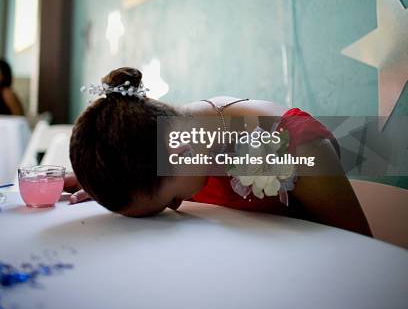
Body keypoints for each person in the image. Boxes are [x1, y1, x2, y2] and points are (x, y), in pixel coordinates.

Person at [66, 67, 371, 237]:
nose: (176, 206)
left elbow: (364, 258)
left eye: (168, 200)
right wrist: (111, 177)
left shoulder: (297, 145)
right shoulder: (166, 144)